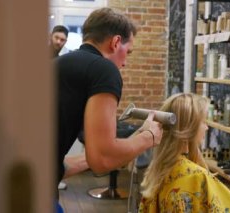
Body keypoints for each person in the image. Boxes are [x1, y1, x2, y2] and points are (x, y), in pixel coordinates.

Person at [56, 6, 163, 198]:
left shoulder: (59, 64)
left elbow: (56, 166)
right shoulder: (104, 70)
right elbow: (102, 160)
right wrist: (148, 137)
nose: (125, 63)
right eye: (128, 52)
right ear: (116, 42)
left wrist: (127, 144)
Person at [139, 93, 230, 212]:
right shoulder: (197, 177)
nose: (206, 128)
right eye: (203, 122)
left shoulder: (159, 169)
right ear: (189, 128)